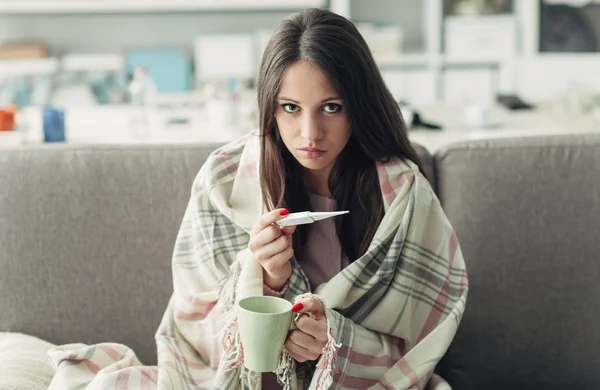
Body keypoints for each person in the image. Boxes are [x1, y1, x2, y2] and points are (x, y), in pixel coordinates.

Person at [47, 8, 468, 390]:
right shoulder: (225, 180)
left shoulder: (402, 195)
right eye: (290, 107)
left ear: (359, 106)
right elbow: (196, 326)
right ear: (269, 107)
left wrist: (333, 341)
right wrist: (263, 280)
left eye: (332, 107)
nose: (310, 133)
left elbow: (423, 340)